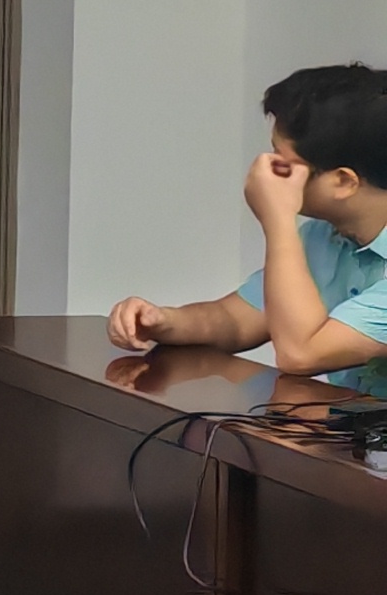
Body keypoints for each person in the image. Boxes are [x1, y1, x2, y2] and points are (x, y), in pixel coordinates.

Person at [108, 61, 387, 393]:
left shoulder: (294, 233)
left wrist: (278, 220)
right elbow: (236, 321)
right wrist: (163, 321)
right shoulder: (323, 236)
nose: (262, 169)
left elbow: (301, 353)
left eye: (280, 160)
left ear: (343, 182)